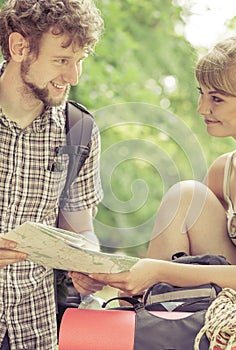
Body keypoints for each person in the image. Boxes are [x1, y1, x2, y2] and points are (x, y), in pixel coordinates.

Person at [71, 34, 236, 300]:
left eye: (217, 99)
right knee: (186, 196)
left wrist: (158, 271)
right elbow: (199, 259)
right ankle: (137, 312)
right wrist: (116, 272)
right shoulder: (224, 171)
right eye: (202, 94)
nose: (201, 108)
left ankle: (136, 313)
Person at [0, 0, 105, 349]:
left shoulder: (80, 132)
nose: (73, 77)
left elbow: (81, 228)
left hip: (34, 330)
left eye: (79, 62)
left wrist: (88, 262)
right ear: (19, 48)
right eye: (61, 60)